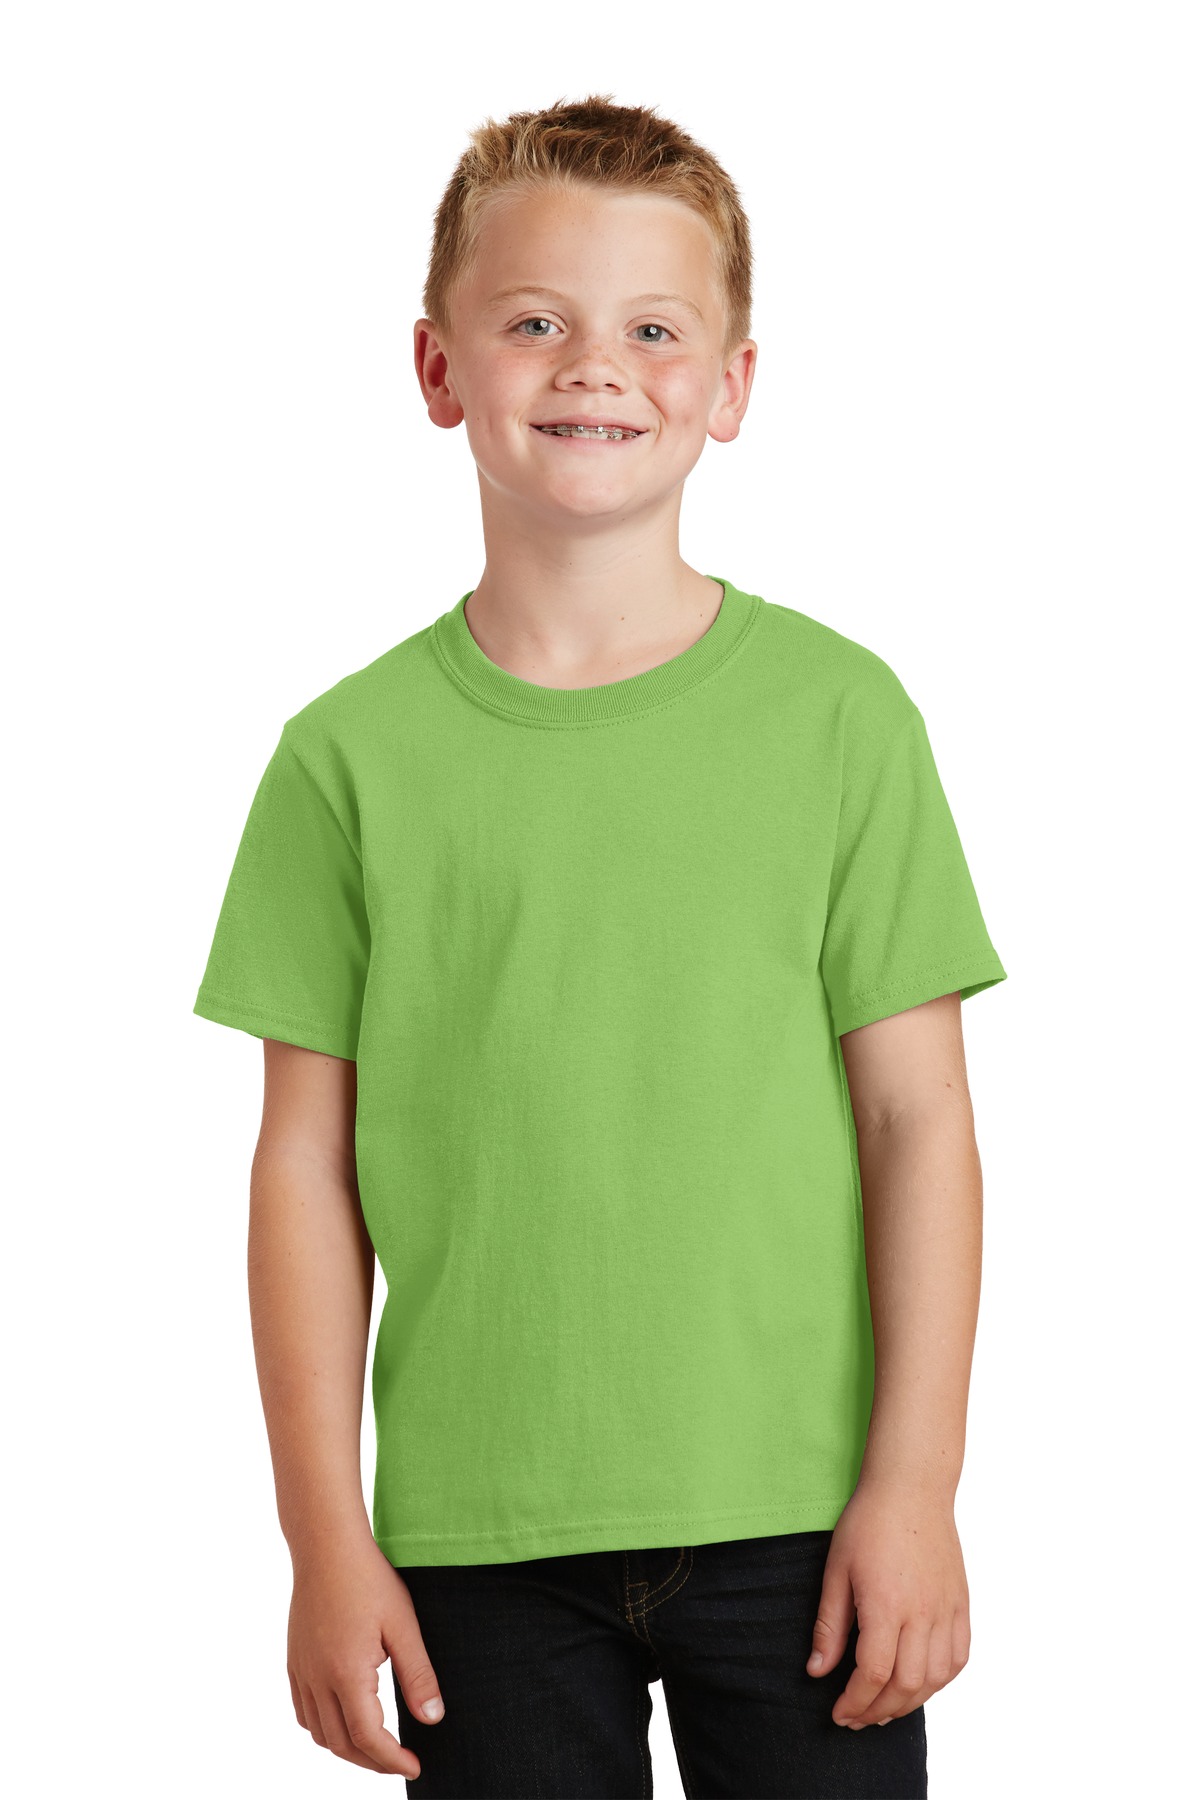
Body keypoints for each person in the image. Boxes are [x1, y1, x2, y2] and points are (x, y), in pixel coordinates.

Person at [193, 93, 1007, 1800]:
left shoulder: (841, 720)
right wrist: (323, 1539)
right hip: (475, 1542)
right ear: (439, 369)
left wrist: (916, 1485)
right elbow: (303, 1170)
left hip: (802, 1523)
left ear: (732, 384)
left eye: (653, 330)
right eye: (534, 323)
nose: (593, 369)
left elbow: (917, 1120)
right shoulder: (345, 761)